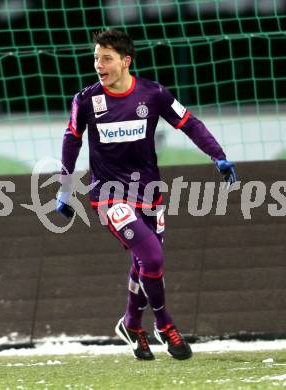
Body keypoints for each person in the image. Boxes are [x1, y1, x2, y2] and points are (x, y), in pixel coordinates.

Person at [56, 29, 237, 360]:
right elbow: (72, 139)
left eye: (106, 58)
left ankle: (131, 323)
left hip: (149, 192)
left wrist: (218, 155)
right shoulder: (86, 100)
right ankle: (164, 324)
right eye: (96, 58)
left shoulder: (153, 94)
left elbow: (190, 123)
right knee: (152, 256)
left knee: (144, 263)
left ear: (126, 61)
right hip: (108, 194)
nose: (99, 64)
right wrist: (65, 188)